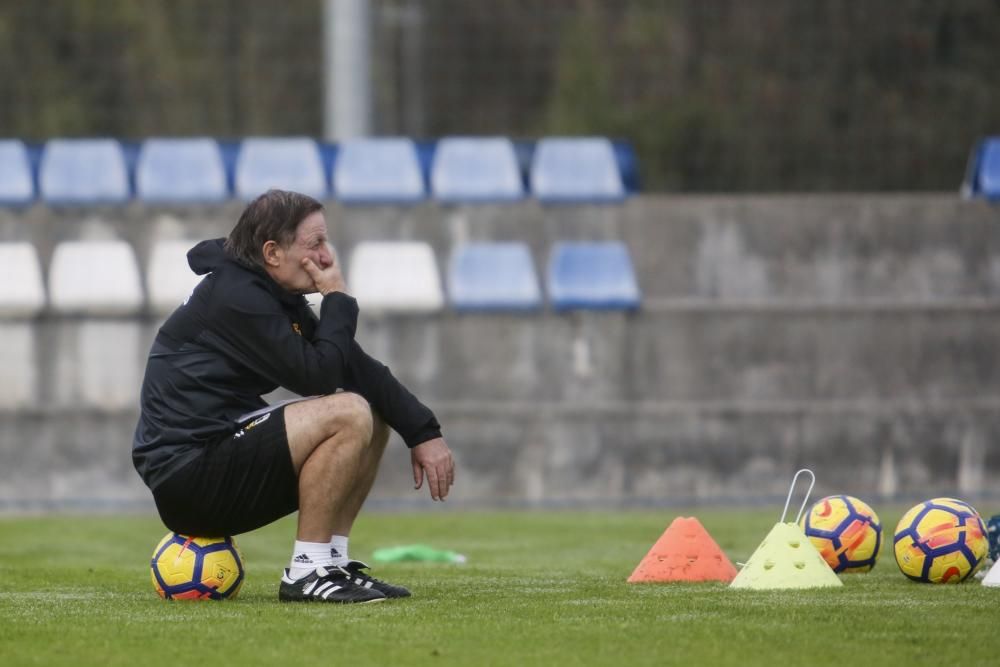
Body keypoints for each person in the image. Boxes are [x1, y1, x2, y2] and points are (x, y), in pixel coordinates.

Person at [132, 189, 455, 604]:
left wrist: (423, 431)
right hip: (187, 476)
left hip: (215, 457)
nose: (325, 256)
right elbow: (317, 377)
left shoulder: (266, 293)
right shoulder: (237, 297)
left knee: (372, 414)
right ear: (271, 252)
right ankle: (308, 571)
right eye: (314, 244)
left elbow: (354, 367)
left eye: (326, 242)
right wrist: (337, 300)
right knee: (348, 412)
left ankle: (331, 564)